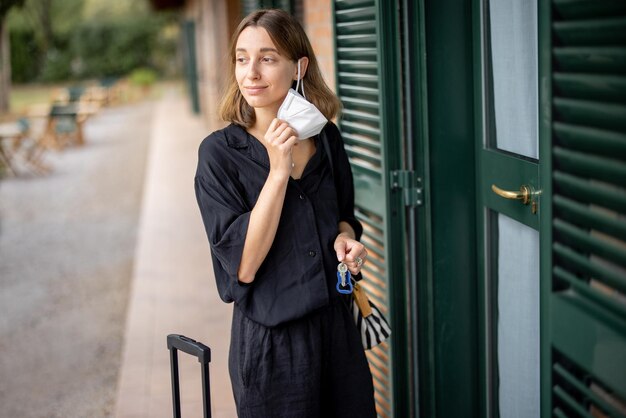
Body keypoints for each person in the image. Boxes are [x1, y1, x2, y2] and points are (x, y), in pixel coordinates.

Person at [194, 8, 376, 418]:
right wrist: (278, 172)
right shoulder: (219, 156)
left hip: (338, 334)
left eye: (268, 57)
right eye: (242, 58)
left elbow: (343, 216)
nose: (251, 73)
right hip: (273, 347)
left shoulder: (326, 138)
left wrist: (347, 240)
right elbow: (242, 266)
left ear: (299, 66)